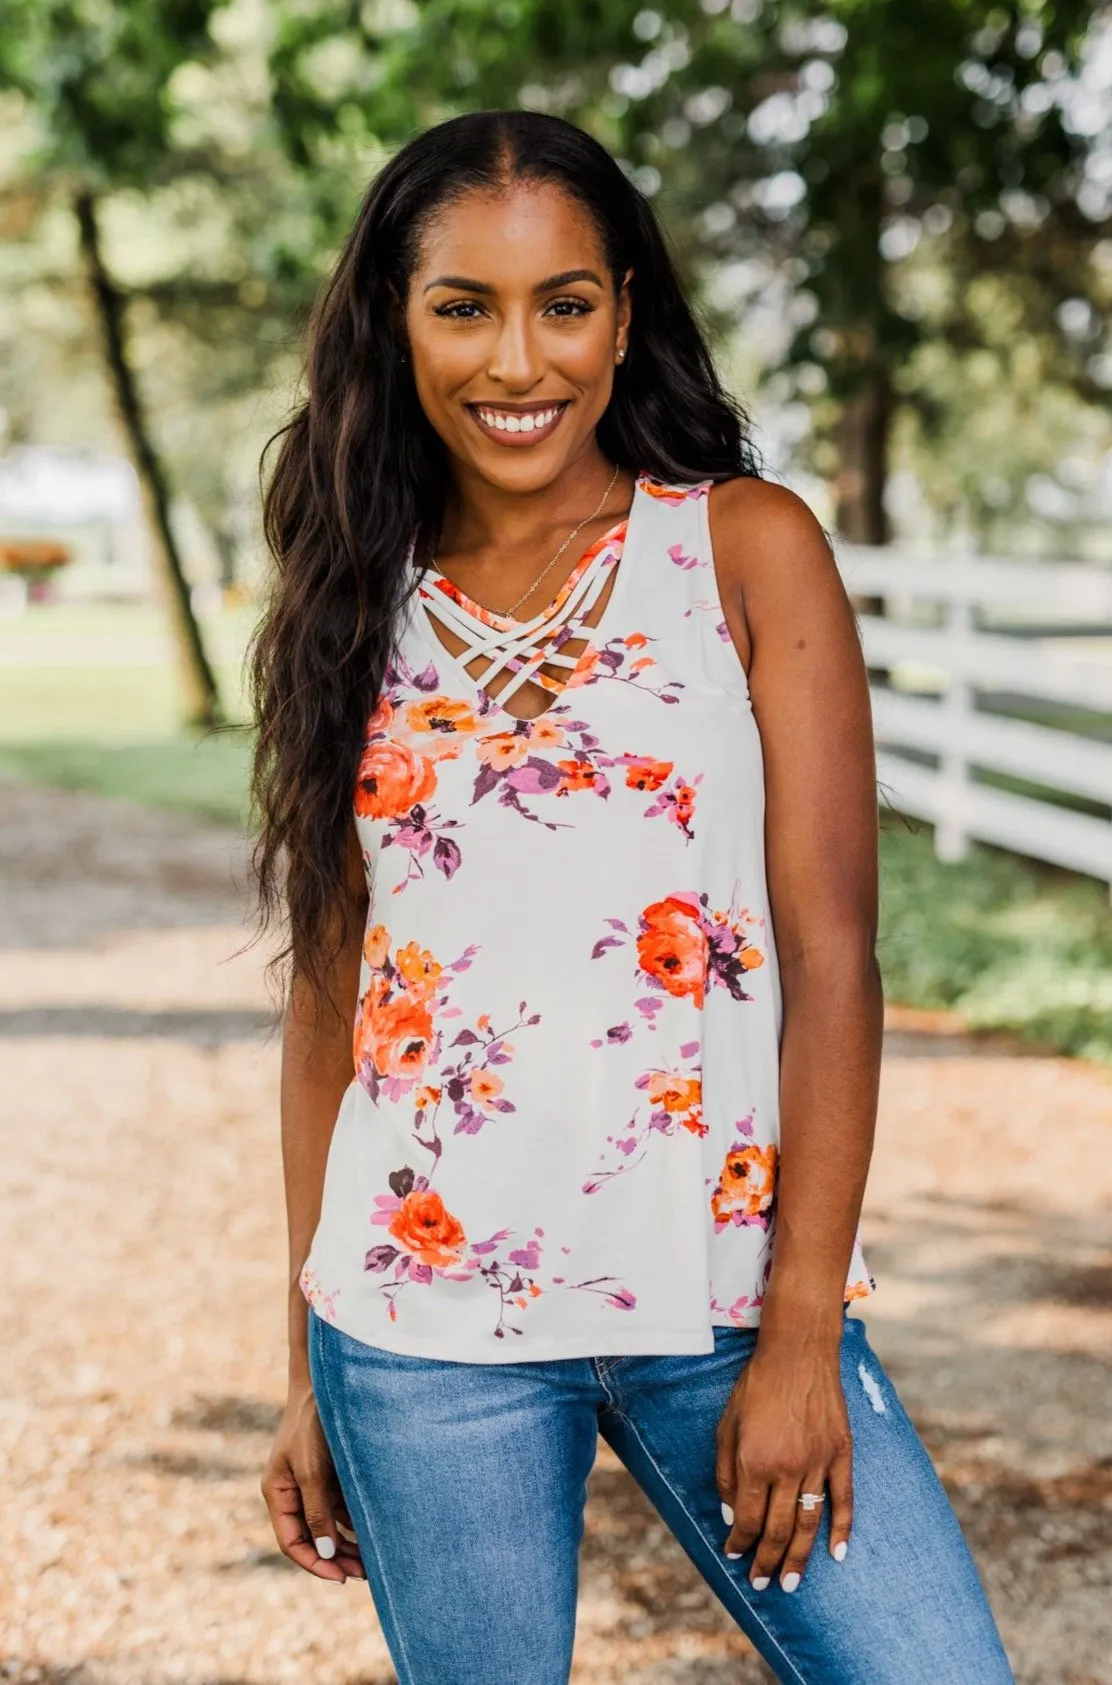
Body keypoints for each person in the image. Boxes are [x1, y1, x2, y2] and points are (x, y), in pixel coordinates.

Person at [250, 108, 1014, 1685]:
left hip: (726, 1299)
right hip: (418, 1327)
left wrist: (803, 1329)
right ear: (396, 323)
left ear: (626, 313)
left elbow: (831, 953)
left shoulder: (744, 549)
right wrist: (303, 1361)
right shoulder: (353, 598)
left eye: (565, 303)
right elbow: (337, 998)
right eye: (464, 305)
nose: (517, 362)